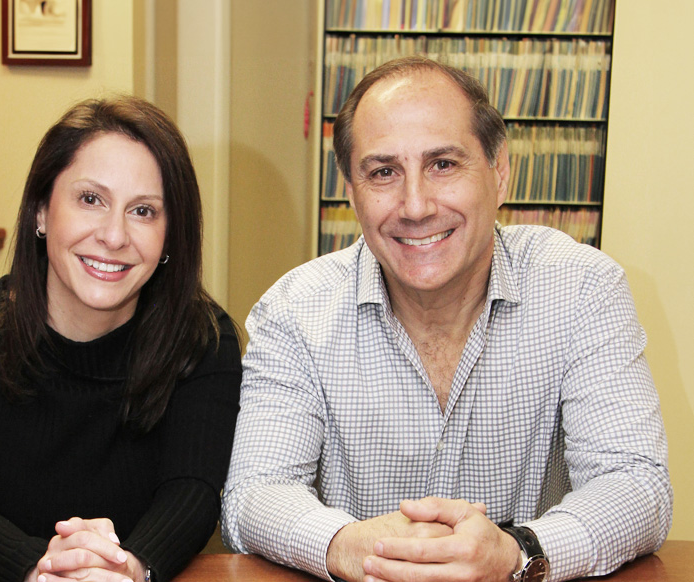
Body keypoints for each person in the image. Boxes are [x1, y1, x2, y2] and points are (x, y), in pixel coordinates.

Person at [221, 57, 672, 582]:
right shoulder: (294, 310)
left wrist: (516, 552)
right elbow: (253, 495)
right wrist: (346, 546)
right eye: (383, 172)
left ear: (499, 171)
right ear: (351, 190)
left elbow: (637, 483)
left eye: (443, 164)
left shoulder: (583, 290)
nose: (415, 205)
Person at [0, 96, 243, 582]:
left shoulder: (203, 341)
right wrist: (39, 570)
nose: (113, 235)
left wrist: (129, 567)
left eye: (144, 211)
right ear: (41, 211)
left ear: (170, 236)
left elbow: (191, 493)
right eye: (91, 199)